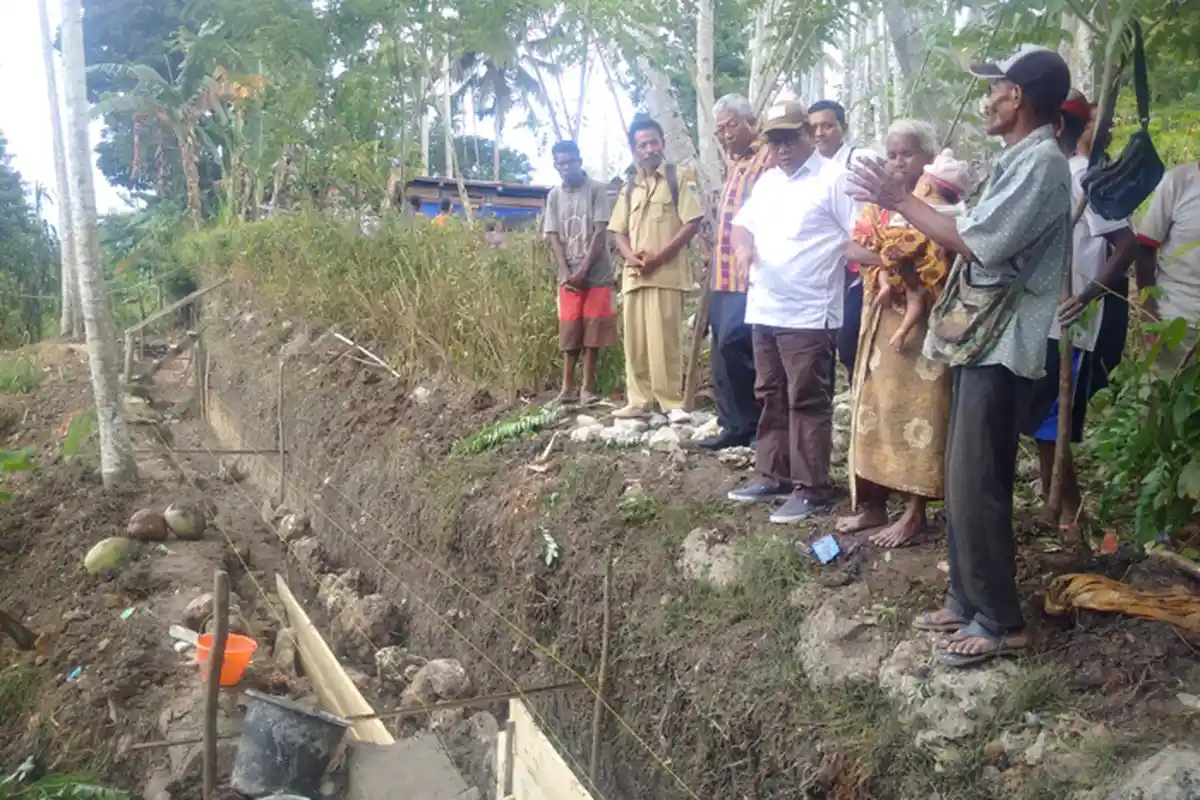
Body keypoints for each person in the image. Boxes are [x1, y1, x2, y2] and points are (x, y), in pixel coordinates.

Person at [849, 44, 1072, 666]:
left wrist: (902, 201)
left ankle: (1002, 620)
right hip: (980, 338)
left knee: (981, 482)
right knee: (962, 477)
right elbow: (965, 213)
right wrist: (907, 204)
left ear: (1017, 96)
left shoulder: (1043, 165)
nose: (986, 99)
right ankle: (965, 599)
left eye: (994, 88)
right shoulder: (1019, 158)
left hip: (1005, 345)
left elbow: (979, 240)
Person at [726, 100, 860, 523]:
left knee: (807, 398)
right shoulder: (768, 182)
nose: (782, 148)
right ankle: (773, 475)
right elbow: (742, 225)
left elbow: (858, 237)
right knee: (769, 392)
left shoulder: (835, 179)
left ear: (808, 133)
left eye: (789, 138)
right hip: (765, 306)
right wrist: (744, 247)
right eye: (774, 140)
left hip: (809, 312)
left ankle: (812, 486)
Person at [835, 126, 966, 549]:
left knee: (919, 417)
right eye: (891, 154)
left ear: (925, 158)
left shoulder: (938, 205)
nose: (896, 162)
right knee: (875, 410)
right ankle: (873, 503)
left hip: (924, 326)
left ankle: (915, 513)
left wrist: (900, 264)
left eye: (906, 154)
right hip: (879, 322)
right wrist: (892, 262)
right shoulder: (876, 207)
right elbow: (853, 250)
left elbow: (941, 254)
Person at [1020, 90, 1139, 529]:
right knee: (1045, 421)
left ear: (1053, 127)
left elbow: (1125, 246)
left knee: (1055, 420)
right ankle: (1061, 508)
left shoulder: (1086, 179)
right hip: (1042, 320)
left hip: (1074, 324)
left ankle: (1070, 512)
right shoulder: (1045, 175)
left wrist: (1085, 297)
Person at [608, 117, 704, 416]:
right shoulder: (629, 187)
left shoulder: (680, 177)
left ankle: (671, 402)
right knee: (635, 343)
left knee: (665, 341)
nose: (649, 149)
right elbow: (617, 231)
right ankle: (639, 401)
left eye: (653, 142)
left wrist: (660, 256)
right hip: (635, 276)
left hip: (666, 274)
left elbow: (693, 221)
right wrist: (629, 257)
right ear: (635, 151)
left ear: (662, 143)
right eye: (642, 145)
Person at [701, 93, 773, 451]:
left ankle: (754, 422)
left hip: (749, 271)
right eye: (721, 129)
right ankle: (732, 424)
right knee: (720, 350)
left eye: (732, 125)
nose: (727, 134)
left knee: (737, 343)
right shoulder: (736, 162)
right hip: (723, 272)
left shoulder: (767, 158)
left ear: (750, 122)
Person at [544, 140, 618, 406]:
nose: (565, 167)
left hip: (596, 272)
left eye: (570, 162)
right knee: (569, 329)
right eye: (560, 163)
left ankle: (588, 387)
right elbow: (552, 236)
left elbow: (600, 233)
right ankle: (566, 389)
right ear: (555, 165)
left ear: (579, 160)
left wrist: (583, 270)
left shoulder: (597, 190)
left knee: (593, 331)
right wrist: (567, 272)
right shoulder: (554, 195)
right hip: (568, 276)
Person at [810, 100, 865, 386]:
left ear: (843, 128)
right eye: (814, 127)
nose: (820, 133)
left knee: (851, 337)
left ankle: (862, 395)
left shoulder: (860, 160)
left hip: (857, 267)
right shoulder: (804, 170)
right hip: (820, 269)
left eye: (827, 125)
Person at [1135, 158, 1200, 373]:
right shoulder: (1179, 182)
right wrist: (1148, 313)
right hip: (1177, 320)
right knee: (1163, 400)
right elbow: (1145, 247)